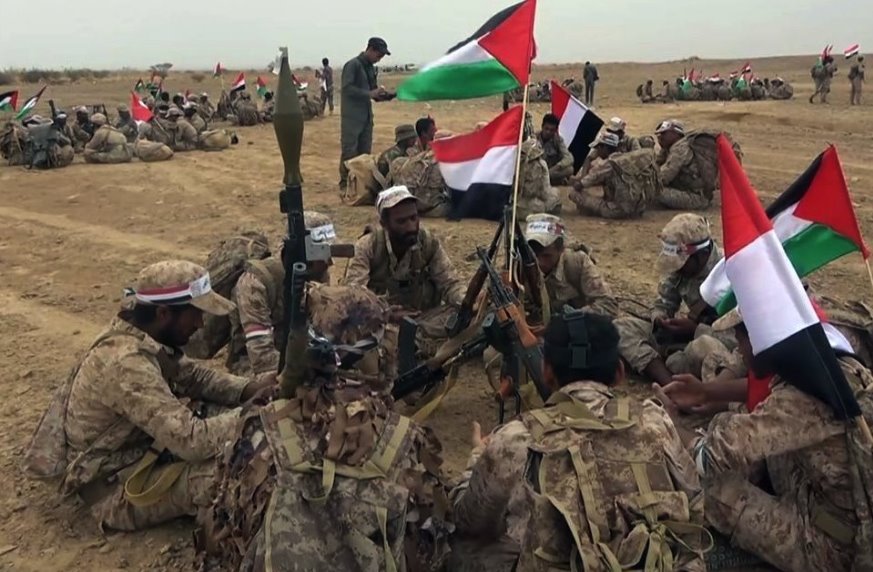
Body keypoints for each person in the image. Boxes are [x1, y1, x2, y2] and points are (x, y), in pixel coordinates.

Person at [196, 293, 451, 572]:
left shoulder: (260, 425)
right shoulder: (409, 438)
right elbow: (432, 549)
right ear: (376, 354)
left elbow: (221, 530)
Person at [22, 260, 276, 531]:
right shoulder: (125, 363)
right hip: (117, 487)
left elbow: (194, 377)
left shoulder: (143, 331)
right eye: (195, 314)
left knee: (239, 432)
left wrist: (254, 388)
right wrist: (261, 411)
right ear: (164, 313)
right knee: (247, 474)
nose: (201, 324)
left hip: (141, 450)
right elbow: (193, 441)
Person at [450, 311, 705, 572]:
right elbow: (694, 501)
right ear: (619, 372)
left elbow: (469, 520)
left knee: (461, 546)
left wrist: (477, 456)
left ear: (547, 372)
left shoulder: (516, 438)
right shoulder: (654, 420)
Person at [656, 307, 873, 571]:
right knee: (748, 440)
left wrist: (672, 423)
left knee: (713, 488)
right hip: (828, 500)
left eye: (741, 339)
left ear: (760, 339)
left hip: (831, 547)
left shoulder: (797, 401)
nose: (739, 349)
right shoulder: (828, 366)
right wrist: (706, 393)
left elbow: (708, 458)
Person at [343, 186, 464, 363]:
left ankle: (413, 341)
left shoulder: (428, 242)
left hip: (422, 320)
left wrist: (469, 301)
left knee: (464, 316)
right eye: (401, 221)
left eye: (414, 218)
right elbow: (354, 297)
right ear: (384, 224)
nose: (410, 227)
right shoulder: (367, 247)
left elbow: (450, 282)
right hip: (380, 322)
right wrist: (386, 313)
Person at [613, 213, 734, 386]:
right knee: (622, 328)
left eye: (680, 264)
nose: (676, 270)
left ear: (702, 254)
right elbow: (663, 302)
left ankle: (673, 376)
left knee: (699, 348)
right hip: (684, 339)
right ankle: (669, 382)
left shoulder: (731, 274)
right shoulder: (682, 269)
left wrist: (695, 330)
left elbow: (741, 341)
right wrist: (660, 318)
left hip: (715, 344)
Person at [226, 212, 343, 375]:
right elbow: (261, 357)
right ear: (302, 253)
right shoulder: (256, 282)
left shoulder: (319, 274)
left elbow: (320, 328)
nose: (330, 262)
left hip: (297, 355)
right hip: (253, 365)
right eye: (323, 253)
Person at [524, 214, 618, 321]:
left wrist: (571, 318)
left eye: (547, 256)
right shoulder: (517, 267)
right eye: (533, 255)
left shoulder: (576, 262)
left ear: (560, 250)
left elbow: (608, 305)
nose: (539, 262)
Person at [339, 37, 394, 190]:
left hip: (366, 117)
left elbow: (373, 92)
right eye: (379, 55)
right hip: (352, 117)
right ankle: (345, 184)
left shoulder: (370, 68)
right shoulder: (352, 65)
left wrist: (388, 95)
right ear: (370, 50)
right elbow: (347, 89)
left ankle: (361, 185)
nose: (379, 59)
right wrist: (370, 93)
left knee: (365, 154)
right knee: (350, 152)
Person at [570, 132, 659, 219]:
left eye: (598, 148)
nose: (597, 151)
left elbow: (585, 182)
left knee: (574, 194)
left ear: (604, 147)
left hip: (618, 210)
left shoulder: (609, 164)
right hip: (639, 208)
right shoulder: (626, 160)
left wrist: (577, 183)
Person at [655, 119, 718, 210]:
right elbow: (656, 163)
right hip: (686, 190)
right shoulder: (668, 147)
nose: (660, 137)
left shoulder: (680, 148)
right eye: (659, 134)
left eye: (664, 134)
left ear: (676, 134)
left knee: (653, 190)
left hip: (696, 198)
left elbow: (665, 176)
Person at [516, 138, 561, 219]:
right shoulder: (541, 165)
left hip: (516, 202)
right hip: (532, 204)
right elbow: (544, 193)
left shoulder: (517, 163)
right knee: (555, 195)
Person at [537, 113, 574, 185]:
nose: (548, 132)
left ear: (555, 130)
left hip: (551, 171)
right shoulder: (534, 138)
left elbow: (569, 158)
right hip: (537, 171)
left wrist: (556, 167)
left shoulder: (558, 140)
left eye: (551, 130)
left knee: (570, 170)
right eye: (546, 129)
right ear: (542, 127)